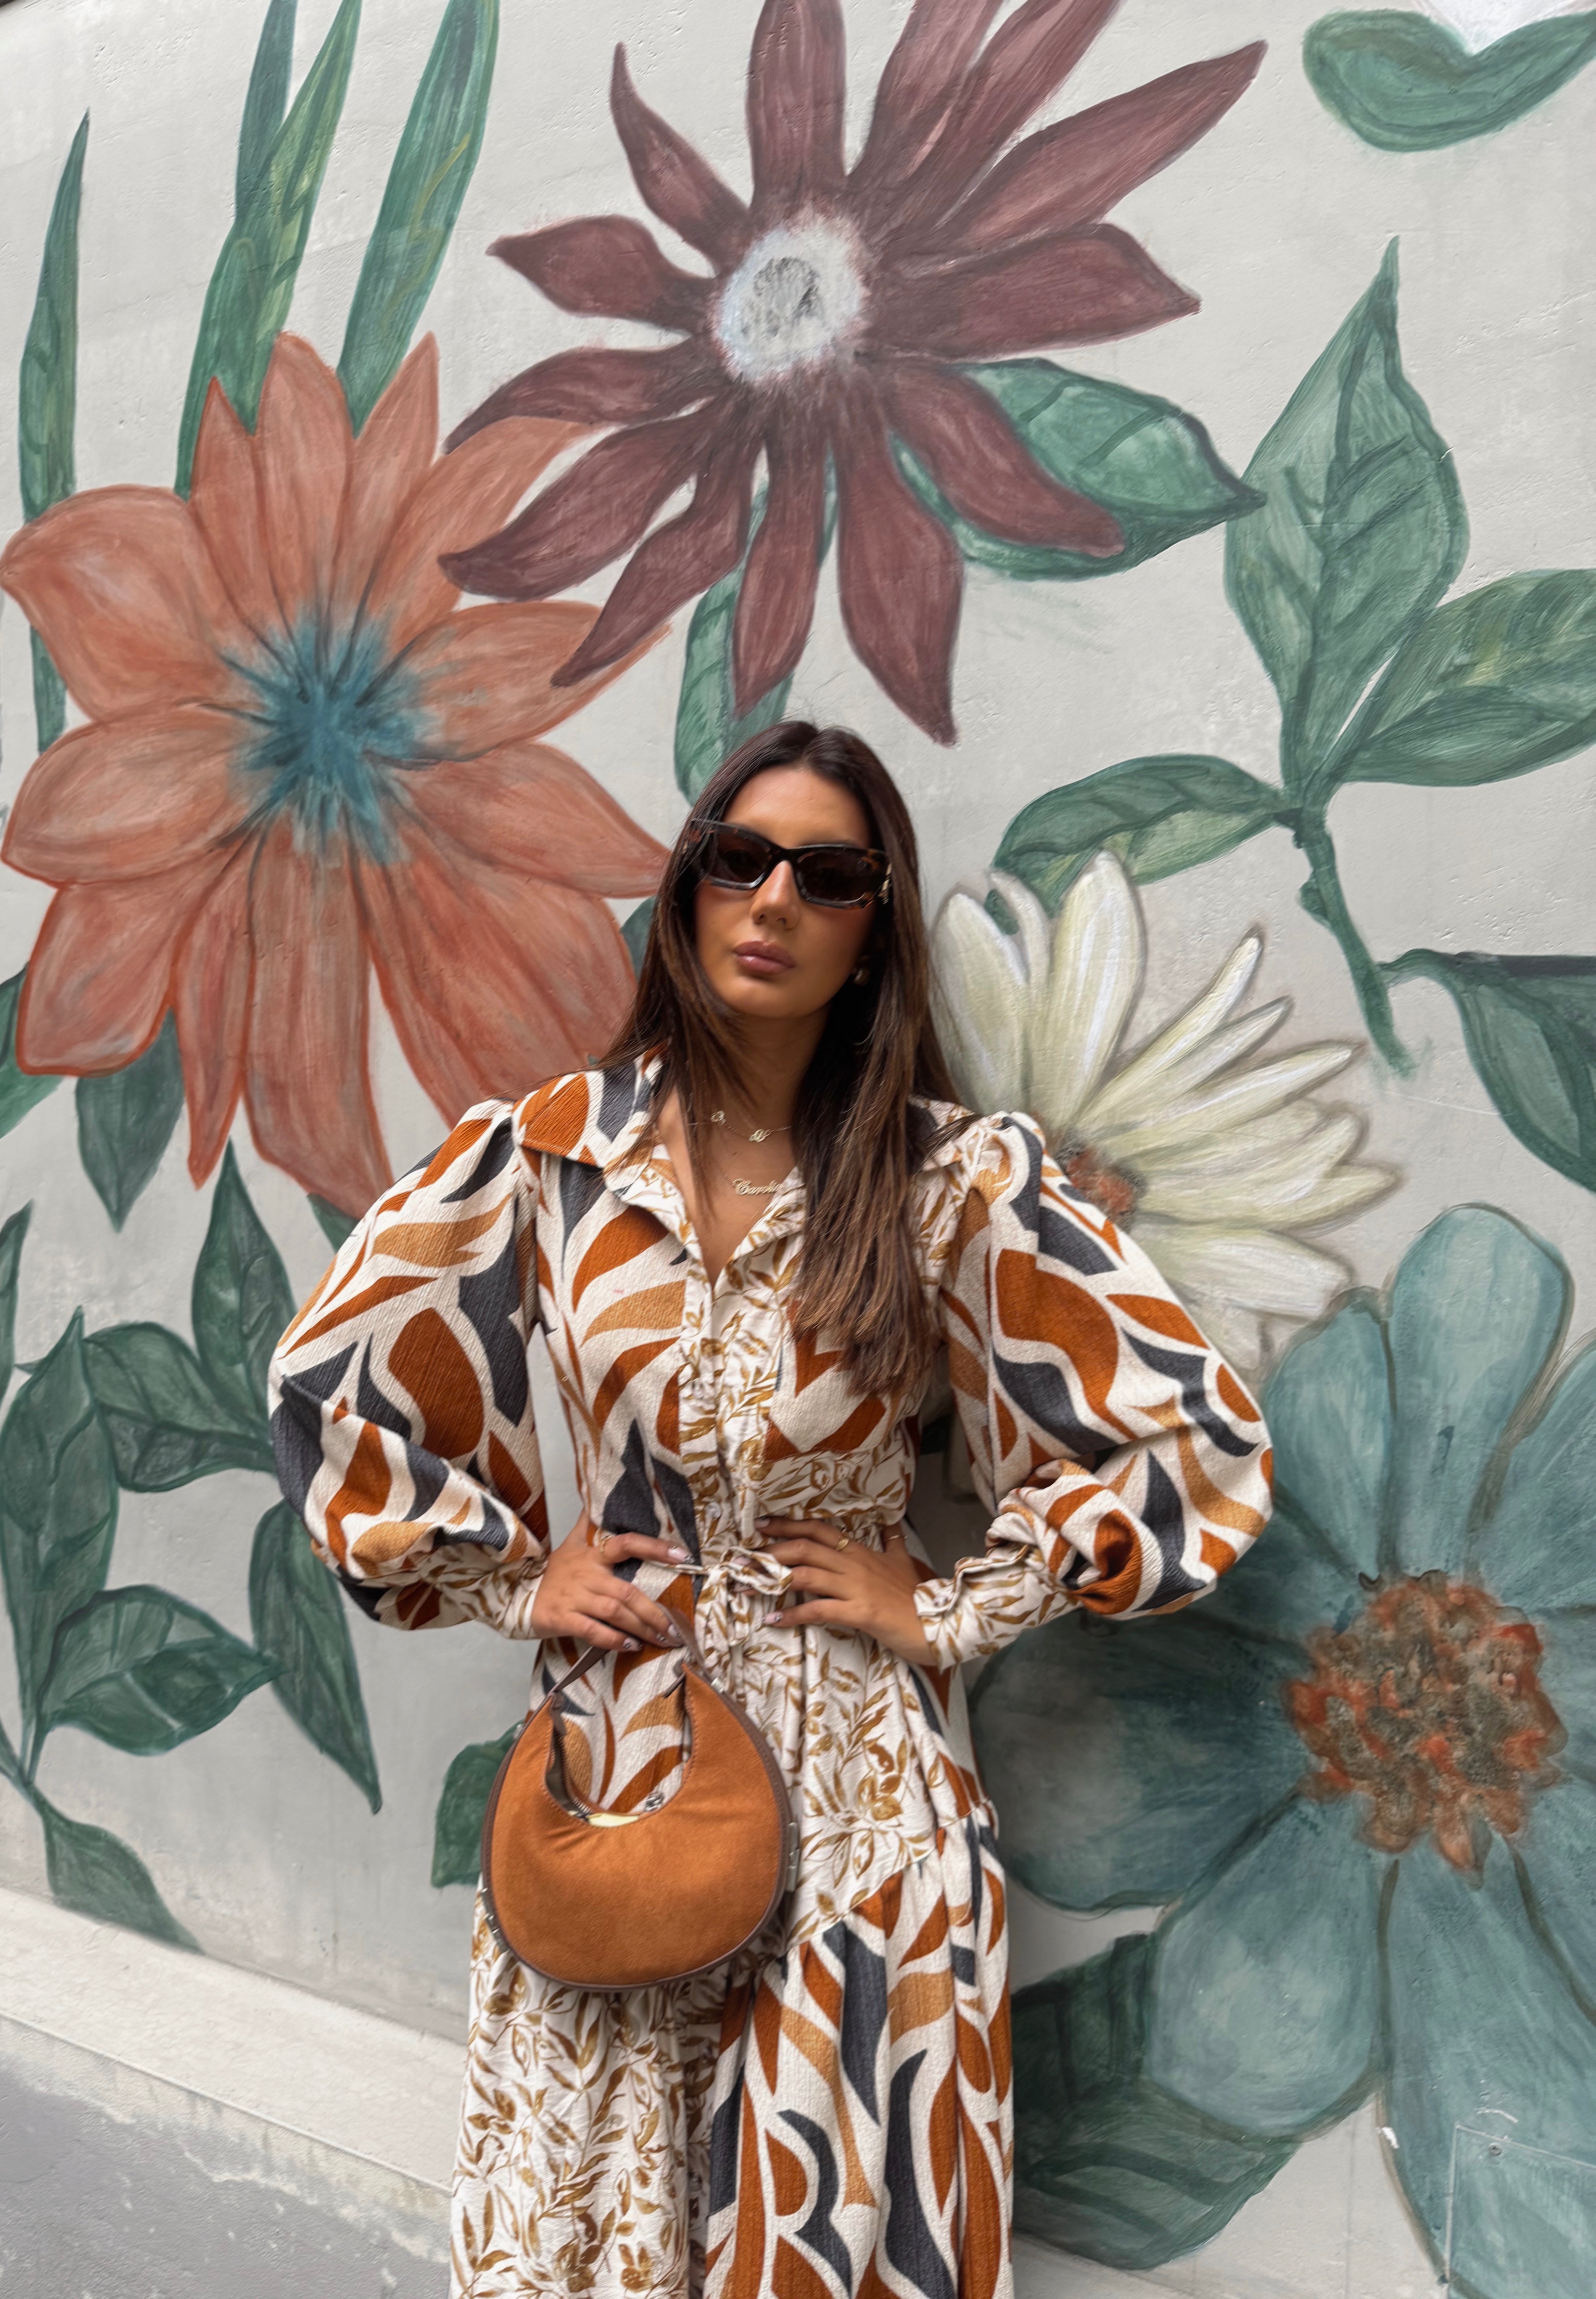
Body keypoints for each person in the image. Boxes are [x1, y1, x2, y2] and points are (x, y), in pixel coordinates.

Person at [268, 721, 1272, 2299]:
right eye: (739, 858)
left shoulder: (951, 1181)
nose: (776, 899)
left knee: (823, 2218)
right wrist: (509, 1579)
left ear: (875, 927)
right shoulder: (550, 1159)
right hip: (624, 1761)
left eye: (830, 875)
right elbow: (333, 1382)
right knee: (592, 2212)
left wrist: (952, 1607)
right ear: (687, 887)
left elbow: (1187, 1436)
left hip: (865, 1790)